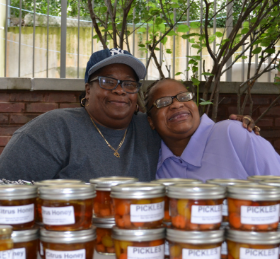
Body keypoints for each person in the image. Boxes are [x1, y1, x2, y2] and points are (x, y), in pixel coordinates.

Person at [0, 48, 258, 182]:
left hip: (136, 248)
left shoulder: (151, 129)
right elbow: (7, 191)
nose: (120, 90)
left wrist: (236, 129)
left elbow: (190, 136)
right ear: (87, 90)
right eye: (107, 81)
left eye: (129, 84)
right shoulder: (52, 130)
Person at [145, 78, 280, 182]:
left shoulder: (233, 134)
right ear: (151, 121)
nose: (177, 104)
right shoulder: (156, 165)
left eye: (184, 97)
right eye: (163, 102)